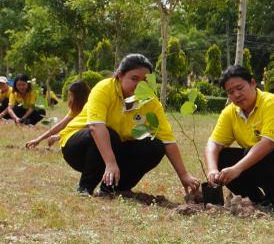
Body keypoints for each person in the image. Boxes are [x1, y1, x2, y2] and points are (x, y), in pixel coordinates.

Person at [59, 54, 200, 197]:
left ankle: (112, 189)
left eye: (145, 80)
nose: (140, 85)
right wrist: (111, 163)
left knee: (155, 146)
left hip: (115, 148)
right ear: (120, 75)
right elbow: (96, 127)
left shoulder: (150, 101)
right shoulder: (104, 89)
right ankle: (84, 188)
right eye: (134, 78)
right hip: (77, 147)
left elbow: (167, 140)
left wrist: (184, 175)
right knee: (110, 135)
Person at [205, 64, 274, 215]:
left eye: (240, 88)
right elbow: (214, 143)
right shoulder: (230, 112)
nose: (236, 95)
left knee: (257, 151)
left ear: (253, 83)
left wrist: (237, 169)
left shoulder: (271, 103)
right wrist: (212, 169)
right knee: (222, 158)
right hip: (260, 162)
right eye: (230, 92)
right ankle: (257, 201)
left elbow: (268, 144)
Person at [26, 80, 90, 149]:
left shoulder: (90, 108)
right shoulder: (75, 109)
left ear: (79, 97)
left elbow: (83, 129)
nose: (69, 99)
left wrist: (59, 136)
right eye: (69, 95)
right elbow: (61, 125)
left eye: (71, 95)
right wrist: (39, 139)